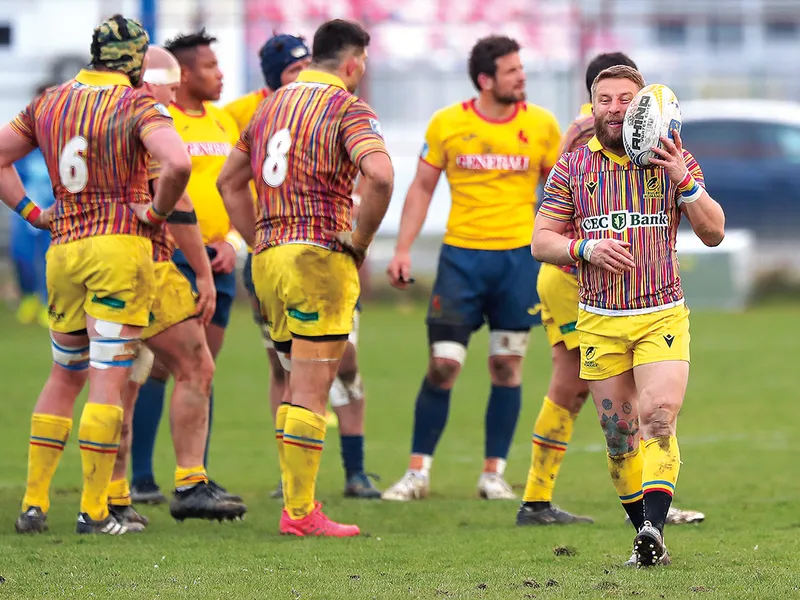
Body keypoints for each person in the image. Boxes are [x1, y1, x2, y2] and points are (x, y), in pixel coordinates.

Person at [0, 14, 191, 535]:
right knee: (108, 381)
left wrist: (33, 214)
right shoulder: (136, 103)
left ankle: (34, 503)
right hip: (118, 252)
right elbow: (177, 164)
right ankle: (94, 510)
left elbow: (0, 155)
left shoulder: (50, 101)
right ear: (134, 59)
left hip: (62, 251)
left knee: (64, 375)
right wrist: (154, 215)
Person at [532, 65, 725, 566]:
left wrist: (683, 180)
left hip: (661, 313)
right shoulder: (572, 167)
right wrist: (585, 247)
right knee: (620, 438)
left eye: (626, 100)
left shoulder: (672, 157)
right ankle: (644, 529)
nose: (615, 109)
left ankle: (651, 531)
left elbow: (714, 231)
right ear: (591, 106)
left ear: (643, 107)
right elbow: (541, 241)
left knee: (658, 419)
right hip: (598, 319)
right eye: (605, 99)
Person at [217, 18, 393, 537]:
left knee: (296, 382)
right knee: (314, 389)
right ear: (353, 61)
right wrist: (358, 243)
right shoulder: (347, 107)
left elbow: (230, 182)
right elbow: (380, 176)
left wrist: (260, 239)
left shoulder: (269, 105)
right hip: (318, 256)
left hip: (268, 260)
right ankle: (299, 513)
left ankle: (299, 504)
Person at [384, 35, 561, 501]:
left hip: (519, 262)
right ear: (486, 80)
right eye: (512, 70)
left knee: (506, 366)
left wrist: (569, 251)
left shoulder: (542, 125)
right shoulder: (448, 123)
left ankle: (493, 474)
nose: (522, 76)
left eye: (522, 68)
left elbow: (562, 195)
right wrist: (402, 250)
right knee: (443, 366)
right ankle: (417, 473)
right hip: (461, 260)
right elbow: (421, 188)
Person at [105, 46, 247, 530]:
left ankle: (106, 495)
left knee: (125, 373)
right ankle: (151, 483)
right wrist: (179, 242)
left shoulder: (223, 120)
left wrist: (231, 241)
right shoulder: (149, 118)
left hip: (92, 257)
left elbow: (232, 185)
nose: (219, 74)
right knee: (158, 369)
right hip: (153, 260)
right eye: (209, 66)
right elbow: (179, 185)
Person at [9, 83, 57, 328]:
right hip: (26, 210)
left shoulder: (62, 139)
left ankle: (50, 303)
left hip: (56, 211)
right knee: (22, 255)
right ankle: (29, 297)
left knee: (52, 259)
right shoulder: (22, 140)